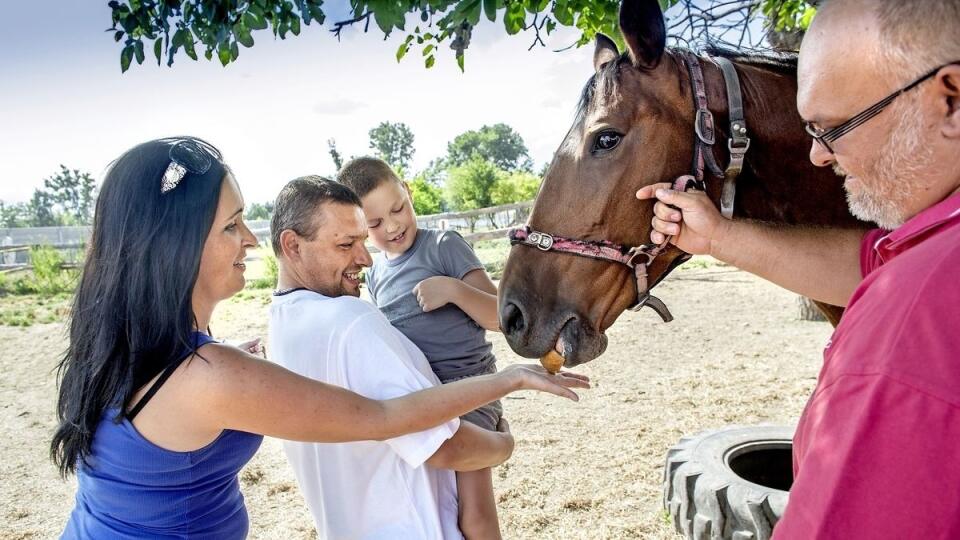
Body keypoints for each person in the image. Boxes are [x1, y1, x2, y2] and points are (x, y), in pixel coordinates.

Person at [52, 137, 589, 539]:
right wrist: (509, 386)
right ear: (176, 246)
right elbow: (387, 421)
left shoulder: (140, 344)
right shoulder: (211, 372)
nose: (251, 240)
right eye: (231, 225)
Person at [638, 0, 960, 537]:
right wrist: (720, 236)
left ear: (949, 101)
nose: (817, 155)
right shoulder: (928, 256)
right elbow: (871, 263)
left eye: (833, 127)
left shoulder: (912, 316)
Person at [268, 175, 524, 539]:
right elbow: (445, 447)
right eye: (346, 243)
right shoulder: (350, 323)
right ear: (292, 245)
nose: (365, 258)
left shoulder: (281, 324)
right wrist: (503, 446)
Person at [338, 157, 505, 538]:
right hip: (421, 400)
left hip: (469, 388)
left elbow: (498, 318)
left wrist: (454, 291)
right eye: (376, 223)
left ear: (409, 192)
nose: (393, 225)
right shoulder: (376, 276)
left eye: (398, 208)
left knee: (474, 509)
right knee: (439, 504)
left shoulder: (444, 246)